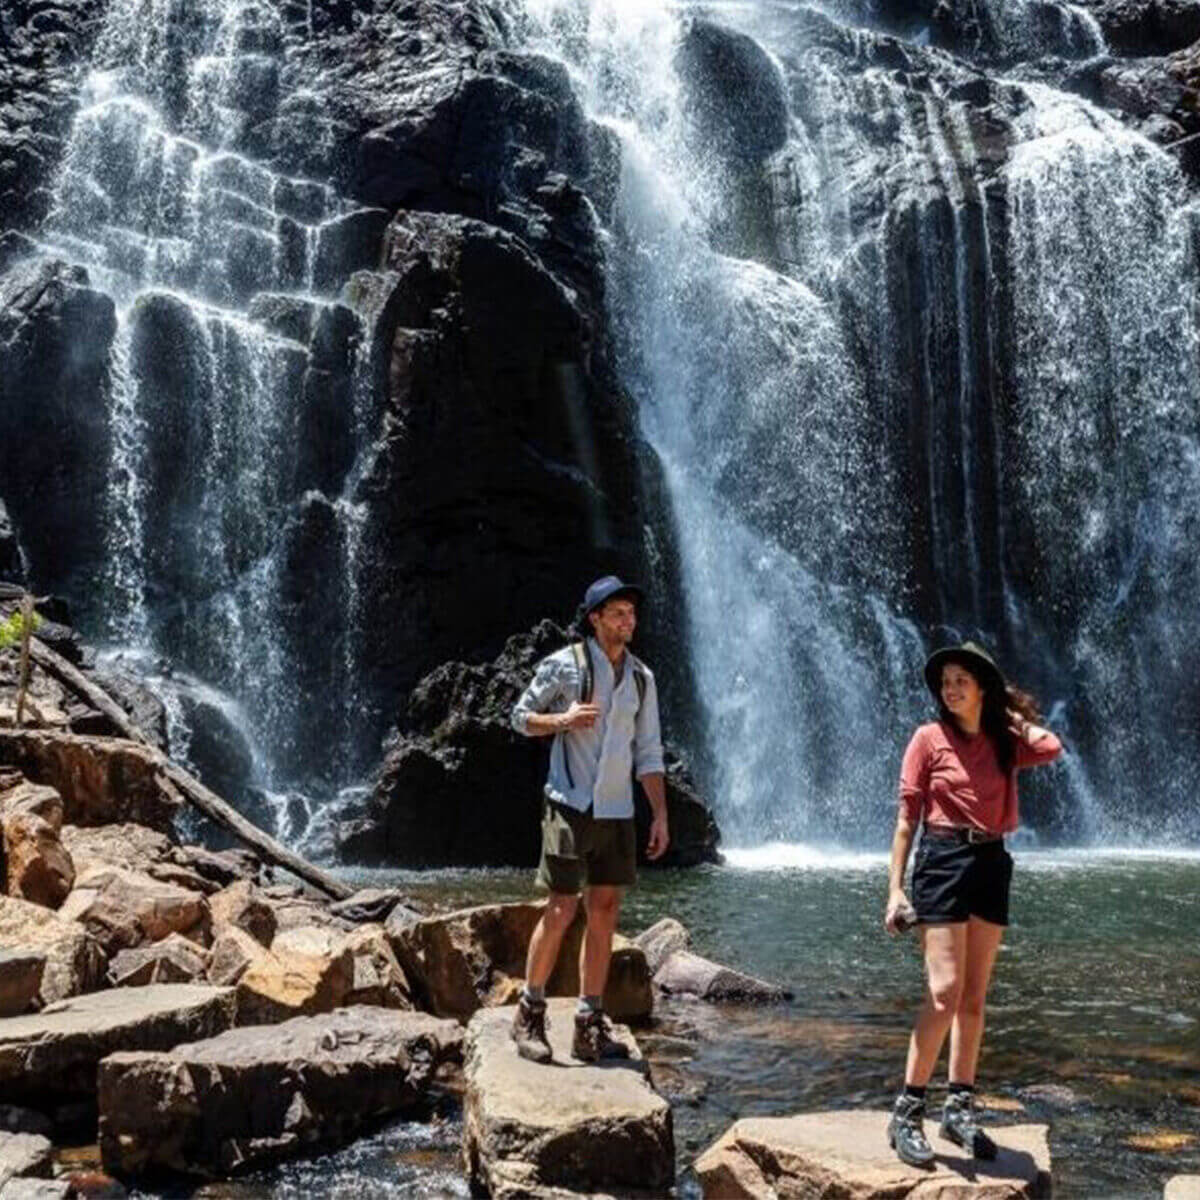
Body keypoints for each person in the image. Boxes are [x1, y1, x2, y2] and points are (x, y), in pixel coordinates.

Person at [884, 640, 1062, 1167]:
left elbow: (1050, 745)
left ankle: (958, 1108)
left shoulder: (1003, 740)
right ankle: (907, 1112)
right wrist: (895, 889)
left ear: (982, 686)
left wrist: (1004, 713)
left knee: (975, 998)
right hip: (940, 859)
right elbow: (904, 822)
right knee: (943, 992)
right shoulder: (926, 739)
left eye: (963, 679)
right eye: (946, 681)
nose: (951, 688)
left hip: (992, 862)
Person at [508, 575, 670, 1063]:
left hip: (619, 809)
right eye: (618, 613)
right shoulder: (565, 665)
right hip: (570, 802)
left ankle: (588, 1021)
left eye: (632, 614)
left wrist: (659, 813)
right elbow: (518, 716)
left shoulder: (643, 677)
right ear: (595, 618)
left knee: (605, 912)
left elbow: (649, 750)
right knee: (561, 908)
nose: (629, 621)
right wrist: (561, 720)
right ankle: (529, 1012)